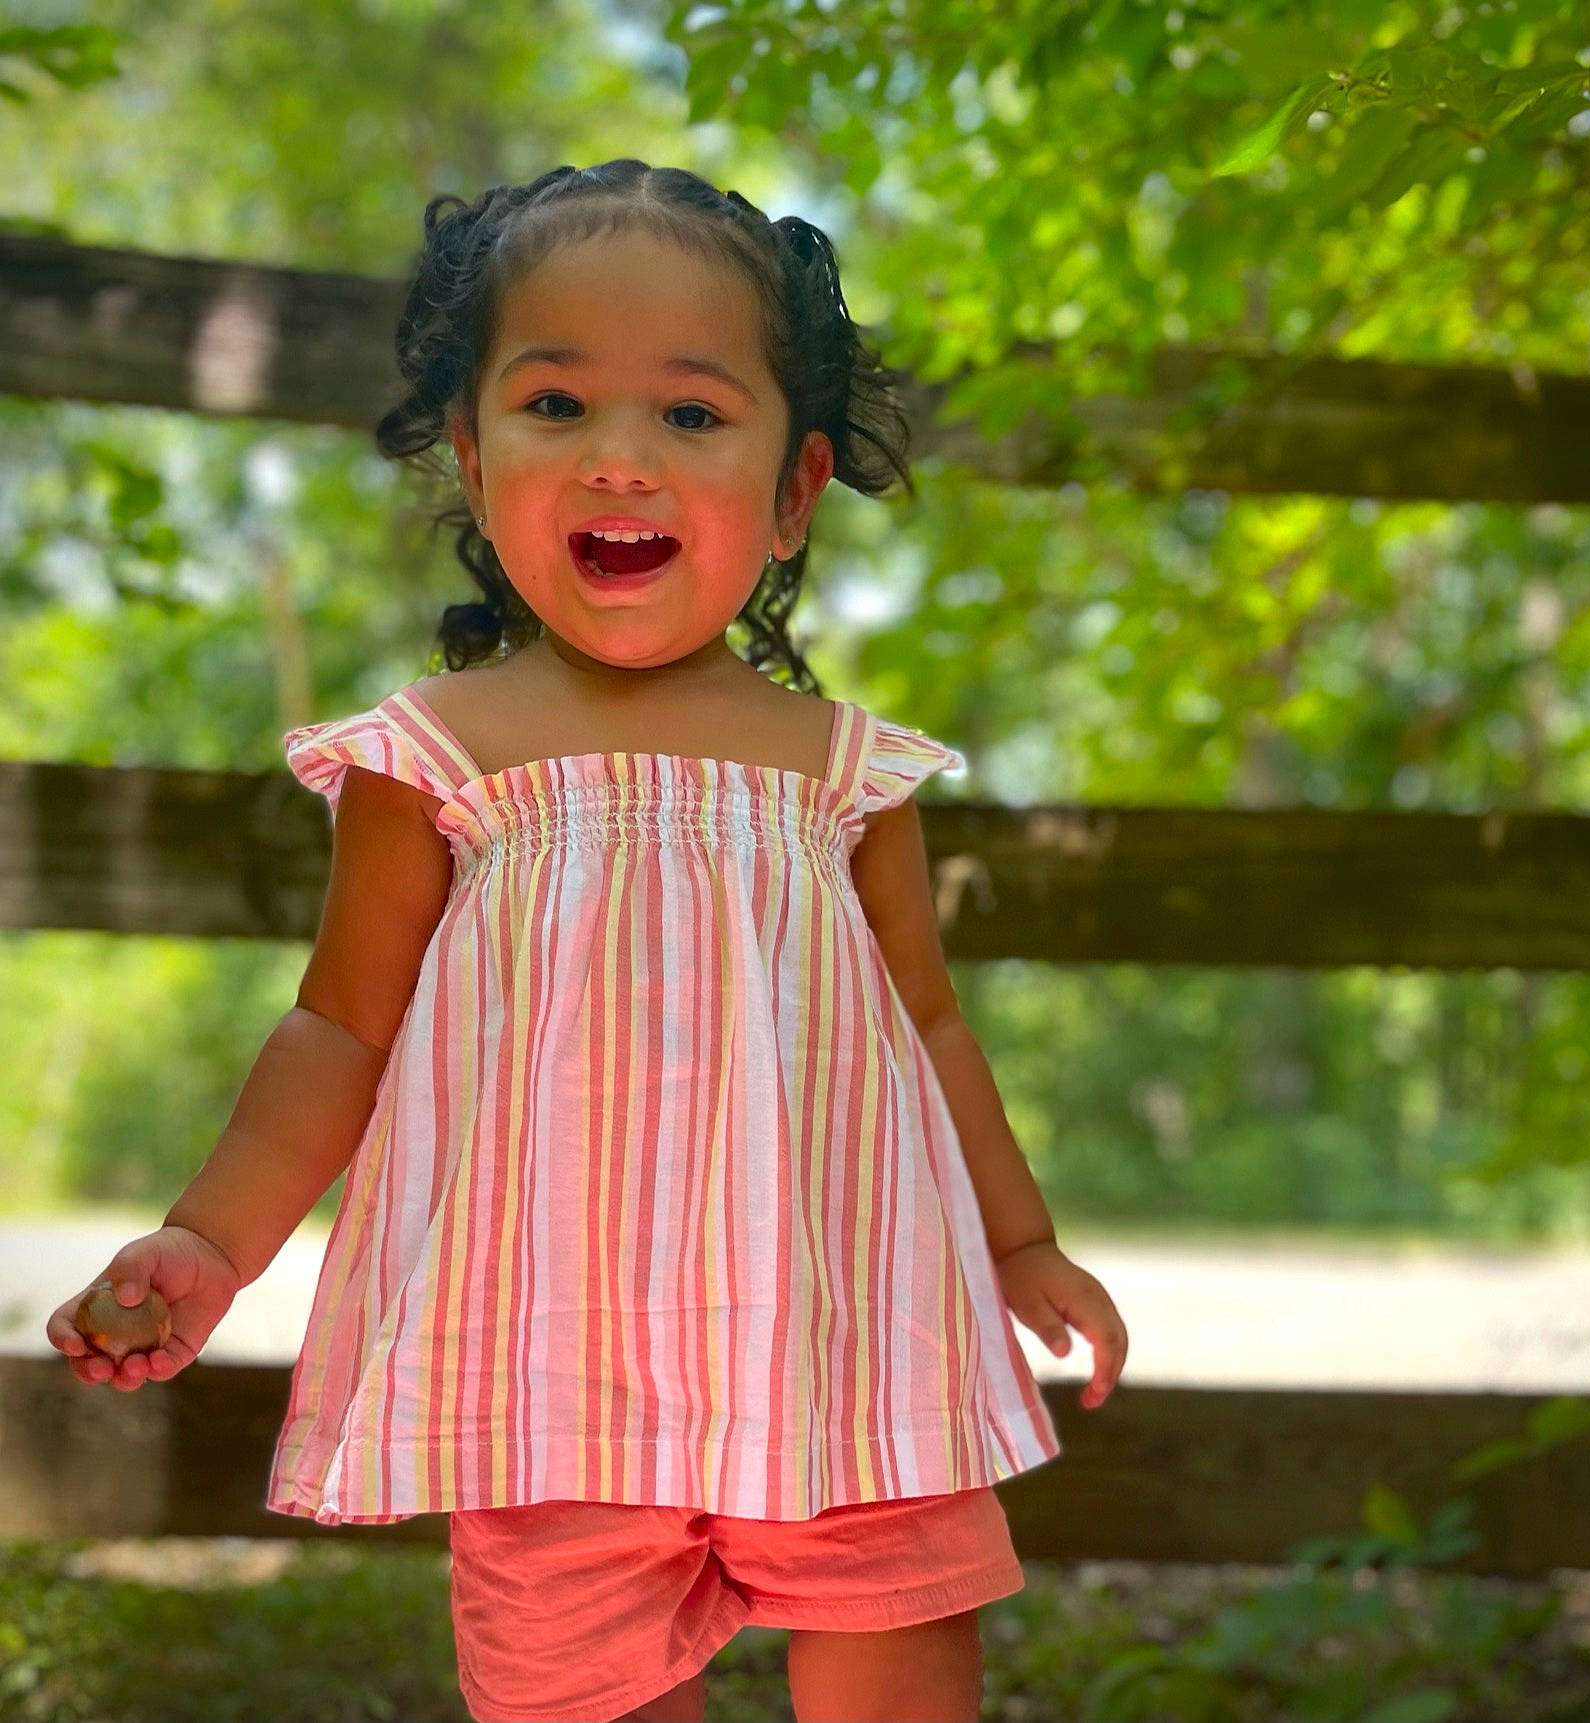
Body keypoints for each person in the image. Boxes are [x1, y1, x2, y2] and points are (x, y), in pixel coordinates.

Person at [46, 159, 1128, 1723]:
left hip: (844, 1334)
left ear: (795, 491)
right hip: (546, 1372)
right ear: (473, 457)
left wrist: (1019, 1245)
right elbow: (339, 1032)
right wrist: (212, 1243)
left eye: (692, 412)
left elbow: (930, 1027)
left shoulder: (845, 773)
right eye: (556, 405)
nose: (621, 457)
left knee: (900, 1648)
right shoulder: (432, 759)